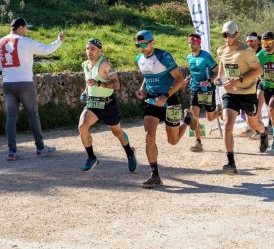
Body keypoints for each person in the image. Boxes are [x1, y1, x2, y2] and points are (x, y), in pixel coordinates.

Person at [134, 30, 195, 188]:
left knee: (172, 141)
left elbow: (180, 79)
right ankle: (155, 175)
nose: (140, 47)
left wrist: (166, 96)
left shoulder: (164, 56)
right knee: (149, 136)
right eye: (137, 45)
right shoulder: (139, 59)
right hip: (152, 101)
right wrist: (143, 90)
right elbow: (147, 78)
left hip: (170, 100)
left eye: (143, 44)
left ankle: (187, 120)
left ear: (153, 42)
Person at [1, 18, 64, 161]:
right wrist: (59, 41)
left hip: (8, 83)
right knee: (32, 114)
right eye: (26, 28)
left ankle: (11, 151)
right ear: (21, 28)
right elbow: (46, 50)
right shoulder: (24, 41)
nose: (26, 31)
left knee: (11, 117)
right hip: (24, 83)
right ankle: (40, 148)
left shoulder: (1, 42)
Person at [215, 21, 268, 175]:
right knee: (227, 125)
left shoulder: (247, 51)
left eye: (231, 35)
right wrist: (219, 78)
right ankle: (231, 163)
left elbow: (258, 71)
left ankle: (264, 132)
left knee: (253, 125)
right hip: (230, 93)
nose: (228, 38)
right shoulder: (221, 50)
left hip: (247, 93)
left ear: (237, 34)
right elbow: (223, 63)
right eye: (225, 35)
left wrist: (238, 79)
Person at [78, 38, 137, 172]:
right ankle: (91, 157)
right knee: (82, 127)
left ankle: (129, 152)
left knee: (117, 132)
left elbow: (116, 84)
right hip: (93, 104)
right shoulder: (85, 65)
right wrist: (85, 91)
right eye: (87, 48)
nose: (89, 51)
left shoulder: (106, 65)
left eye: (93, 49)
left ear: (100, 50)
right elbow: (88, 82)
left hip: (108, 104)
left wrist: (99, 84)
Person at [185, 33, 219, 152]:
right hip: (195, 87)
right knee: (194, 115)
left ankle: (218, 112)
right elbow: (194, 71)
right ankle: (198, 142)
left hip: (207, 89)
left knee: (210, 118)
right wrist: (189, 77)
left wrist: (209, 81)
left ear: (199, 43)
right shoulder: (189, 57)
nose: (191, 45)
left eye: (193, 43)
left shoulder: (206, 57)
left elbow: (217, 70)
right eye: (189, 43)